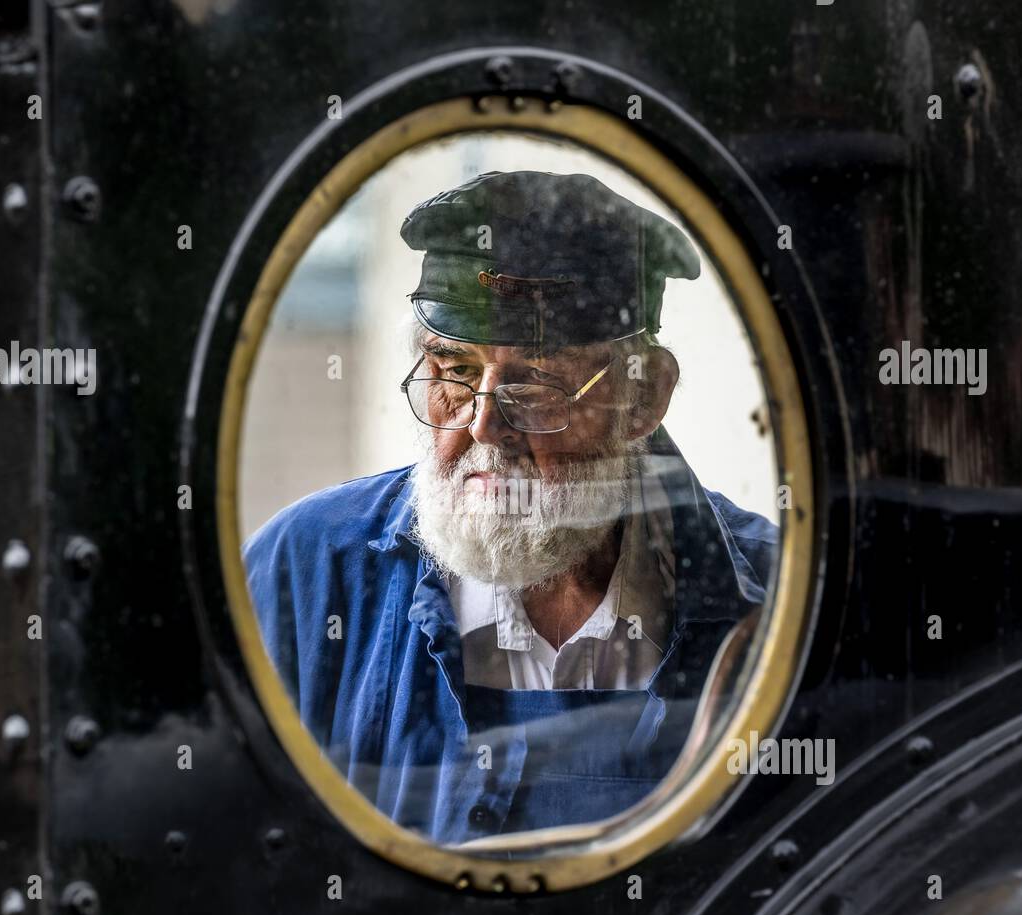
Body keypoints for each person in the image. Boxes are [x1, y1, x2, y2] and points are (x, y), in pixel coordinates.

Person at [243, 171, 777, 843]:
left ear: (644, 397)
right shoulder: (305, 573)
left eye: (537, 382)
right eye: (456, 372)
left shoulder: (776, 605)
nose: (482, 427)